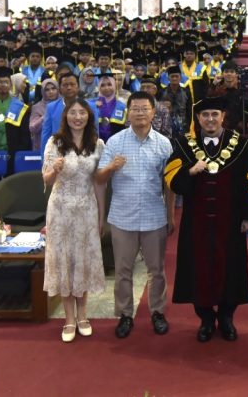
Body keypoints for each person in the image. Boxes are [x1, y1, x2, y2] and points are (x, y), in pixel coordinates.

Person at [165, 97, 248, 342]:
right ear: (198, 119)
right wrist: (190, 171)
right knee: (198, 270)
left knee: (232, 268)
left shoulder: (239, 145)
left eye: (214, 114)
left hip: (231, 223)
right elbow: (171, 179)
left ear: (223, 117)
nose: (210, 119)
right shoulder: (184, 145)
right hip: (195, 224)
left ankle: (227, 318)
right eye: (205, 115)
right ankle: (206, 319)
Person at [95, 91, 174, 339]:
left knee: (156, 270)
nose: (140, 113)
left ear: (153, 112)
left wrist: (171, 216)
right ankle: (125, 314)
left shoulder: (164, 144)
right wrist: (111, 166)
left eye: (144, 109)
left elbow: (170, 184)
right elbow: (99, 178)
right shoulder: (115, 142)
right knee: (123, 270)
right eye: (135, 109)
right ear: (128, 113)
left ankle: (157, 312)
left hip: (154, 216)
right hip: (123, 217)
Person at [42, 98, 107, 342]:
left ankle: (83, 316)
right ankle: (69, 319)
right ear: (65, 116)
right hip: (60, 210)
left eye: (82, 113)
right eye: (73, 113)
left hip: (87, 209)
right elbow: (46, 179)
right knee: (64, 261)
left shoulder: (97, 144)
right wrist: (55, 169)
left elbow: (99, 183)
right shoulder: (55, 142)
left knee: (83, 260)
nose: (77, 117)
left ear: (89, 116)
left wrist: (101, 215)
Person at [40, 72, 81, 150]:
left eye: (72, 84)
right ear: (60, 89)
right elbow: (46, 135)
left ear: (78, 87)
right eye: (65, 85)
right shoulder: (51, 108)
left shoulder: (90, 106)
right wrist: (45, 156)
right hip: (58, 151)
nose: (69, 88)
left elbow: (94, 134)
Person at [90, 72, 127, 142]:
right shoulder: (91, 104)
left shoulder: (122, 106)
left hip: (116, 143)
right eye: (102, 85)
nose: (106, 88)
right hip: (95, 143)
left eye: (109, 84)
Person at [29, 78, 59, 152]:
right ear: (42, 92)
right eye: (47, 90)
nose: (51, 92)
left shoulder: (63, 104)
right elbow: (32, 128)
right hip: (42, 146)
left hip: (61, 145)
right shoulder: (37, 107)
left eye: (53, 88)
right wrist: (46, 116)